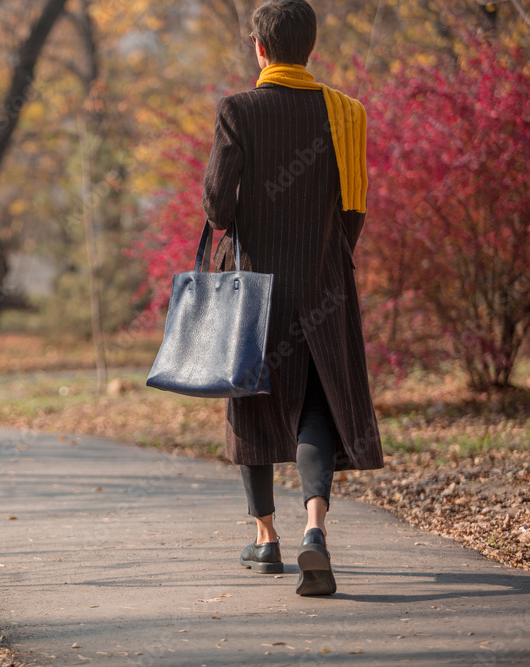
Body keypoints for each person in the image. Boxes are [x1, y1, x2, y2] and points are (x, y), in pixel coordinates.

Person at [201, 0, 384, 596]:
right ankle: (314, 530)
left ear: (259, 47)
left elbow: (218, 209)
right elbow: (353, 210)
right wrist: (326, 255)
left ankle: (266, 540)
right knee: (316, 405)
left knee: (250, 400)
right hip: (322, 281)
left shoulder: (238, 110)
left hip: (253, 282)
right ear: (311, 46)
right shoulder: (346, 113)